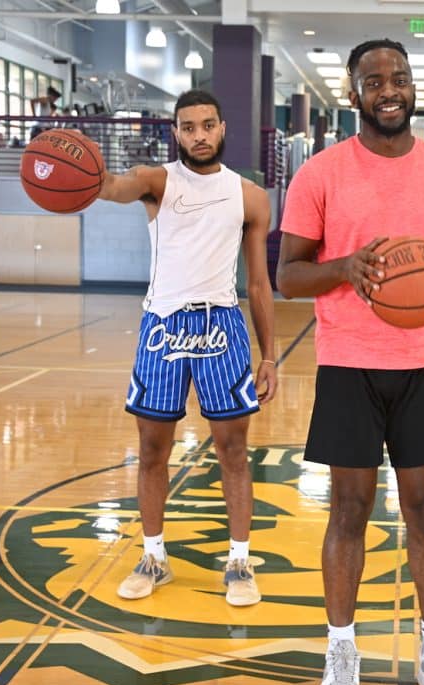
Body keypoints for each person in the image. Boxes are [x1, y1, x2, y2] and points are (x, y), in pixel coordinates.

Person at [277, 39, 424, 685]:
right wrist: (346, 269)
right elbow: (289, 275)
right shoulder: (321, 174)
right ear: (353, 91)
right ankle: (342, 649)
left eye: (398, 78)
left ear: (411, 87)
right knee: (348, 510)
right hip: (347, 363)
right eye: (374, 80)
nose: (388, 89)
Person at [97, 89, 277, 606]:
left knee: (234, 451)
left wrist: (269, 356)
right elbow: (112, 187)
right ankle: (154, 556)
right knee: (153, 450)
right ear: (175, 133)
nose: (198, 135)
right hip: (162, 325)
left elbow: (260, 285)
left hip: (221, 324)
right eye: (188, 127)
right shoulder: (157, 181)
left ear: (222, 129)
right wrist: (84, 169)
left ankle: (239, 563)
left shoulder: (249, 196)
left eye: (207, 125)